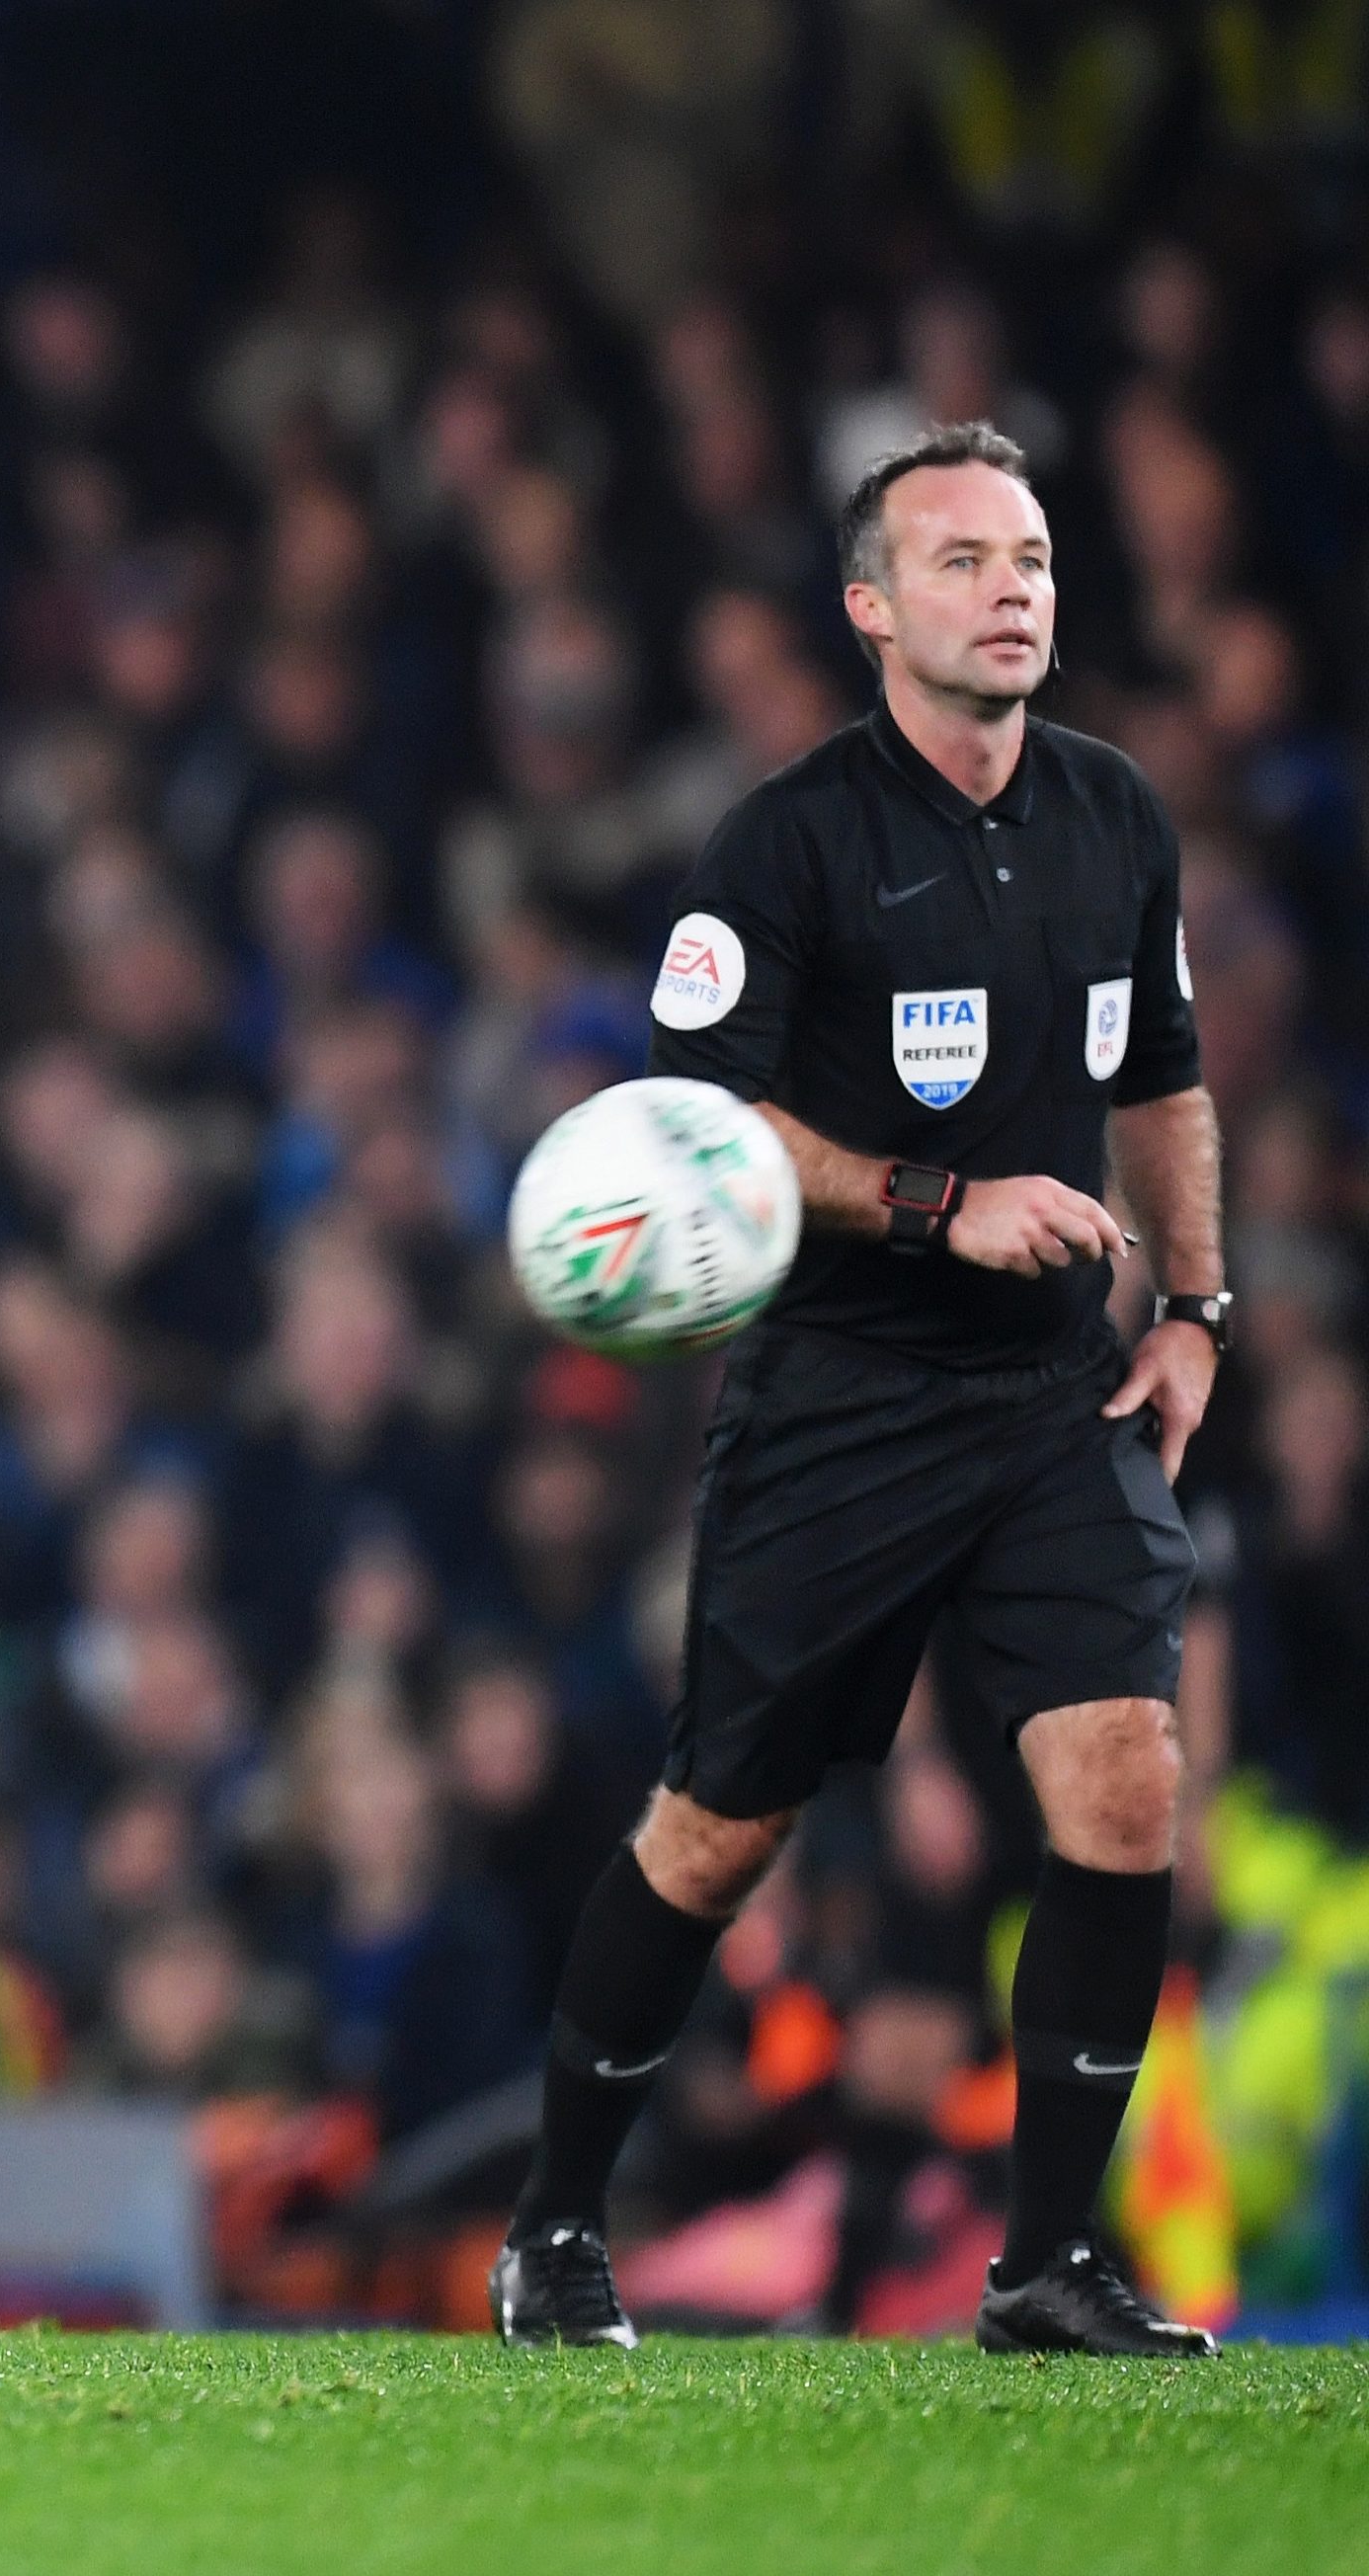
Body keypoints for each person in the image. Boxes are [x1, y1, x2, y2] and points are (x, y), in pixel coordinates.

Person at [490, 425, 1224, 2358]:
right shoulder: (787, 838)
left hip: (1053, 1398)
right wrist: (929, 1200)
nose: (1011, 588)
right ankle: (554, 2223)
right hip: (842, 1392)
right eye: (964, 557)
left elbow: (1157, 1074)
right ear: (869, 606)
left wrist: (1199, 1303)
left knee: (1124, 1778)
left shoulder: (1110, 816)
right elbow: (692, 1112)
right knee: (717, 1826)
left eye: (1034, 557)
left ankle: (1042, 2262)